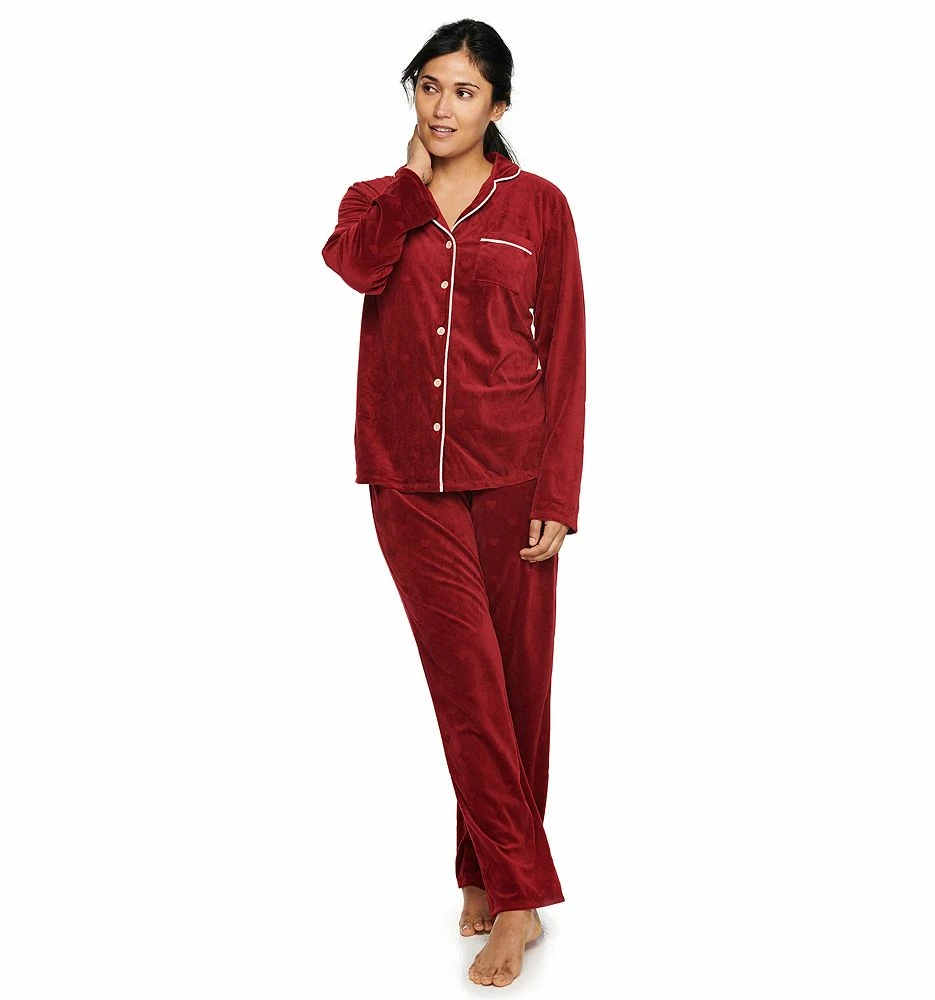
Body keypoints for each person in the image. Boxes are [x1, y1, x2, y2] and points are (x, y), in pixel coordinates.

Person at [320, 18, 586, 989]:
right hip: (407, 479)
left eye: (464, 91)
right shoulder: (374, 202)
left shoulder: (540, 206)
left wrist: (559, 489)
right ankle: (520, 899)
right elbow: (354, 266)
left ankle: (482, 866)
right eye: (429, 86)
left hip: (514, 473)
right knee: (465, 681)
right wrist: (407, 186)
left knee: (515, 687)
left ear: (497, 106)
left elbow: (565, 349)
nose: (442, 106)